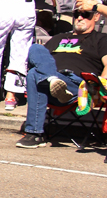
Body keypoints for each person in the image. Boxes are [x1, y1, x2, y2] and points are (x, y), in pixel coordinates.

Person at [16, 9, 107, 148]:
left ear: (96, 16)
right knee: (35, 49)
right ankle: (53, 79)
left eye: (85, 14)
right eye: (76, 15)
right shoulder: (58, 38)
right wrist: (52, 77)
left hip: (77, 85)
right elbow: (40, 59)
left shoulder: (101, 39)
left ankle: (34, 134)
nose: (80, 18)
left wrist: (99, 86)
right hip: (52, 83)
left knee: (34, 74)